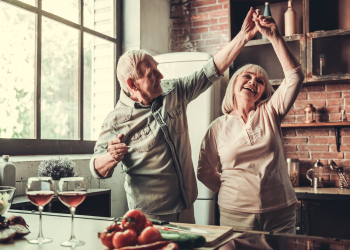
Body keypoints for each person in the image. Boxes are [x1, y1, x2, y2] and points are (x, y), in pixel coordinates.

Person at [90, 7, 262, 223]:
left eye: (157, 68)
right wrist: (111, 156)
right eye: (152, 73)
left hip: (187, 205)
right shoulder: (115, 120)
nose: (161, 75)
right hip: (149, 216)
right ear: (132, 84)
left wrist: (243, 36)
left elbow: (210, 70)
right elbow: (97, 169)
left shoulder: (173, 91)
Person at [197, 14, 304, 233]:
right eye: (247, 76)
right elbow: (205, 171)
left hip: (280, 212)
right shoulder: (217, 127)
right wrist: (233, 190)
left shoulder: (271, 112)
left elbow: (294, 77)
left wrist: (274, 37)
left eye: (260, 81)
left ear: (264, 91)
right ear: (234, 83)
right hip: (234, 213)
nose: (253, 82)